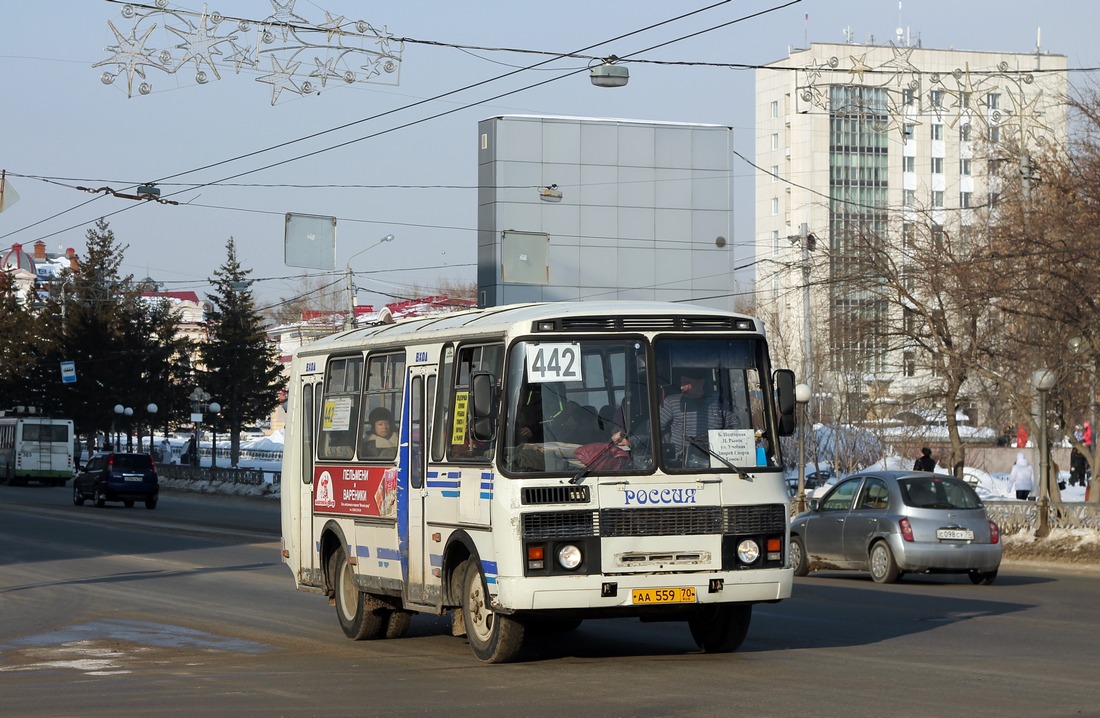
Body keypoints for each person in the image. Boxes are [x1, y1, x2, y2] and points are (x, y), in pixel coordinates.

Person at [612, 368, 739, 467]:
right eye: (681, 383)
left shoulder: (719, 401)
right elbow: (652, 428)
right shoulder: (672, 403)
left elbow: (735, 429)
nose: (682, 387)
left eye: (686, 383)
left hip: (716, 461)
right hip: (680, 463)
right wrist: (631, 441)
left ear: (701, 382)